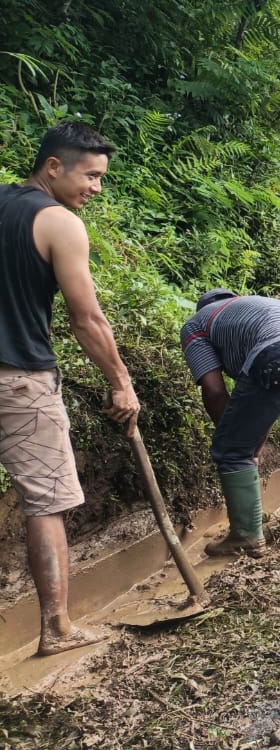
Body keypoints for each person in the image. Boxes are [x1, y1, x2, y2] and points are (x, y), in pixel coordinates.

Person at [0, 122, 139, 656]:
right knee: (46, 501)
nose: (96, 189)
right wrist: (121, 384)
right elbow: (87, 320)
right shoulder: (58, 222)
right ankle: (56, 629)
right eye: (91, 175)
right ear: (53, 166)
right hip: (20, 379)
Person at [181, 290, 280, 556]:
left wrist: (239, 445)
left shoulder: (196, 325)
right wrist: (251, 444)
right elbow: (259, 405)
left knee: (230, 449)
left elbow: (214, 391)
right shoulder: (255, 308)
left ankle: (246, 536)